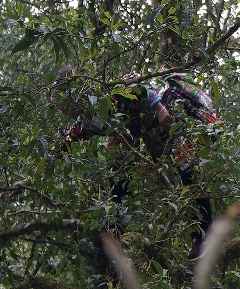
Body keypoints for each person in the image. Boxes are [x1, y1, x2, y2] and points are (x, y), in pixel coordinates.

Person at [67, 71, 221, 257]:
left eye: (67, 106)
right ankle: (119, 227)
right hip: (145, 129)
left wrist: (160, 109)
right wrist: (59, 151)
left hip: (168, 110)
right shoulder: (86, 121)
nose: (67, 112)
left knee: (187, 170)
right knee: (117, 164)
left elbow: (138, 84)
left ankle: (204, 234)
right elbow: (71, 138)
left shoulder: (108, 93)